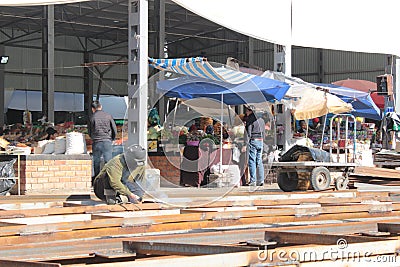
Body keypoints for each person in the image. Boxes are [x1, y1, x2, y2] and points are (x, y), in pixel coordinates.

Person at [89, 101, 117, 184]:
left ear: (93, 109)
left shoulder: (92, 117)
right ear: (101, 106)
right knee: (108, 162)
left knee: (96, 162)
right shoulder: (108, 116)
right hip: (107, 142)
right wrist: (112, 139)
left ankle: (97, 181)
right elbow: (114, 129)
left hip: (96, 142)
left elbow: (90, 131)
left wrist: (93, 137)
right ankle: (109, 180)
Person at [244, 105, 265, 186]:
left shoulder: (250, 120)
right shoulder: (261, 120)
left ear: (250, 111)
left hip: (253, 140)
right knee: (259, 160)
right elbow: (264, 133)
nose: (246, 113)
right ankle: (261, 180)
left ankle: (253, 180)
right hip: (261, 140)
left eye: (247, 111)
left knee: (252, 160)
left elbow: (248, 133)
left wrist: (246, 143)